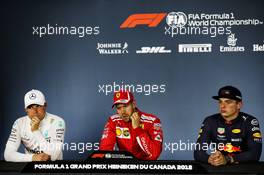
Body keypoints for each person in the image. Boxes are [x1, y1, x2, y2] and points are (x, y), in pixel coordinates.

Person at [194, 86, 262, 166]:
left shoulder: (250, 122)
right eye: (220, 102)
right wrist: (210, 159)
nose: (222, 106)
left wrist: (228, 159)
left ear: (239, 105)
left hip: (244, 169)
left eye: (228, 102)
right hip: (219, 168)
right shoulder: (210, 121)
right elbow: (198, 152)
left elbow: (255, 154)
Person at [4, 89, 66, 162]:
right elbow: (8, 155)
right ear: (26, 109)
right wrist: (32, 158)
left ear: (45, 105)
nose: (34, 111)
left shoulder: (58, 122)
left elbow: (53, 156)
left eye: (38, 106)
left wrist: (35, 130)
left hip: (53, 168)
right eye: (30, 107)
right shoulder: (19, 123)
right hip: (30, 167)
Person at [99, 90, 163, 160]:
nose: (123, 112)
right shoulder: (114, 121)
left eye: (125, 106)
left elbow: (154, 154)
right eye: (119, 108)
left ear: (134, 104)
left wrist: (138, 129)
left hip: (145, 167)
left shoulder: (152, 121)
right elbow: (104, 151)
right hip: (124, 166)